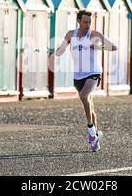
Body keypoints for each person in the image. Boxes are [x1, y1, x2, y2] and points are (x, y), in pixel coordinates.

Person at [50, 10, 117, 152]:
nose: (87, 25)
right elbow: (61, 50)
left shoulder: (95, 35)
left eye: (89, 22)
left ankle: (91, 130)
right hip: (78, 76)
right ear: (79, 21)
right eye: (85, 22)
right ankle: (96, 137)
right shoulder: (70, 34)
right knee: (89, 105)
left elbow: (113, 47)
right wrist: (53, 52)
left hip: (94, 73)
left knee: (84, 96)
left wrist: (98, 47)